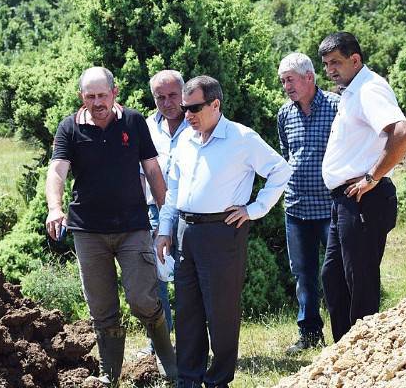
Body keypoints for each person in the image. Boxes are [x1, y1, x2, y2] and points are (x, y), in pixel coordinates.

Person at [155, 76, 292, 387]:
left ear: (215, 105)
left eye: (194, 108)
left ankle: (218, 380)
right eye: (184, 107)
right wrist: (165, 228)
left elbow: (280, 170)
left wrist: (254, 209)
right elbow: (173, 189)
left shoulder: (242, 138)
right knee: (188, 310)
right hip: (185, 232)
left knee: (221, 312)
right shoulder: (186, 140)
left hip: (222, 232)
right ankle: (188, 379)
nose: (186, 114)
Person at [45, 66, 177, 383]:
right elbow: (57, 171)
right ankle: (110, 375)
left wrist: (166, 219)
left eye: (102, 95)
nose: (97, 102)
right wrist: (54, 208)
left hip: (133, 226)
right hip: (88, 231)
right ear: (82, 97)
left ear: (114, 93)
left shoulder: (132, 122)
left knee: (142, 300)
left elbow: (153, 171)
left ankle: (170, 363)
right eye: (90, 96)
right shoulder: (69, 128)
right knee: (102, 308)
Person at [318, 32, 406, 343]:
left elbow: (402, 134)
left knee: (359, 281)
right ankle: (346, 353)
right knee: (333, 278)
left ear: (355, 60)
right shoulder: (352, 91)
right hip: (344, 200)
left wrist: (372, 177)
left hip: (363, 198)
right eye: (326, 64)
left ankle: (368, 356)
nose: (330, 69)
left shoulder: (369, 89)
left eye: (336, 62)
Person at [277, 52, 340, 353]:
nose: (286, 86)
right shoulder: (284, 115)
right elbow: (287, 155)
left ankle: (348, 329)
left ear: (309, 78)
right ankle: (310, 333)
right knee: (303, 274)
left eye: (290, 79)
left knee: (337, 271)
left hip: (331, 206)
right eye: (282, 81)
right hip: (296, 208)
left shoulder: (337, 106)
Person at [137, 69, 190, 358]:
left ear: (183, 94)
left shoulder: (197, 123)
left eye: (172, 95)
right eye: (160, 97)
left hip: (190, 211)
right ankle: (160, 344)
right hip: (154, 212)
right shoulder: (145, 127)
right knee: (154, 279)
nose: (167, 102)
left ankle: (188, 342)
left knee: (186, 278)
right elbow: (139, 173)